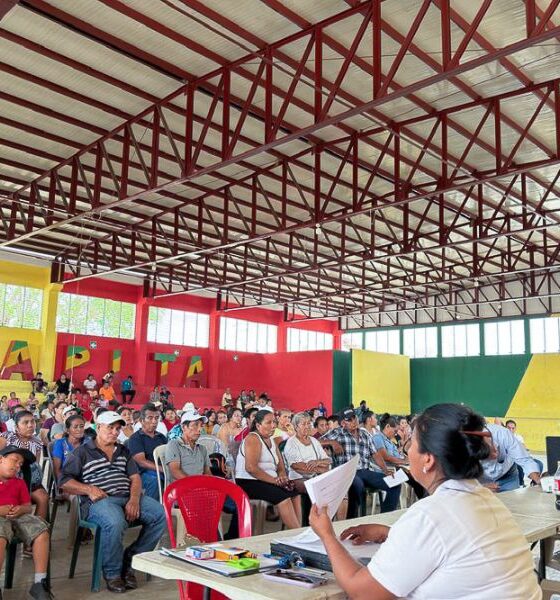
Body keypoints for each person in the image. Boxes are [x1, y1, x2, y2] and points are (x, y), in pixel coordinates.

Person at [309, 403, 542, 600]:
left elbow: (363, 591)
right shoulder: (486, 500)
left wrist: (327, 535)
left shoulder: (430, 514)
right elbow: (453, 543)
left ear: (428, 460)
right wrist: (393, 533)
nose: (407, 451)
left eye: (412, 444)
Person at [60, 411, 166, 593]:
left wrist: (134, 499)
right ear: (98, 427)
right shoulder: (82, 452)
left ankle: (131, 560)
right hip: (100, 501)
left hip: (127, 496)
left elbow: (135, 478)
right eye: (110, 428)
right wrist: (89, 489)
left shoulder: (123, 450)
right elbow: (64, 482)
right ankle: (113, 573)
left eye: (118, 429)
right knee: (115, 521)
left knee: (160, 515)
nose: (115, 432)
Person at [165, 409, 238, 539]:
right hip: (182, 492)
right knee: (205, 508)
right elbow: (175, 471)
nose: (199, 429)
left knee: (237, 503)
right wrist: (195, 487)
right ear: (183, 427)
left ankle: (230, 538)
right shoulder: (174, 445)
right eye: (194, 425)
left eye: (200, 425)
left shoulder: (202, 449)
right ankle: (212, 539)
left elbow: (207, 473)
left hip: (202, 491)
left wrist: (213, 488)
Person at [321, 408, 401, 517]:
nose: (354, 421)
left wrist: (385, 470)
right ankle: (351, 519)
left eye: (354, 418)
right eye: (349, 420)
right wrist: (332, 442)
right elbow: (316, 441)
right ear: (343, 423)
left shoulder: (365, 434)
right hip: (347, 473)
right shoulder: (338, 433)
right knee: (357, 485)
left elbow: (375, 454)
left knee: (395, 483)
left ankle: (385, 517)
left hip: (365, 472)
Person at [0, 446, 52, 599]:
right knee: (0, 537)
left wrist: (21, 509)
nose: (17, 466)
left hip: (19, 517)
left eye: (20, 464)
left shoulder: (19, 483)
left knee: (41, 532)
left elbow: (28, 506)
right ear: (1, 459)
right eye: (15, 460)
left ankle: (39, 583)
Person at [235, 409, 301, 529]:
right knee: (283, 497)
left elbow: (280, 467)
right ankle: (297, 532)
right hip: (249, 482)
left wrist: (282, 478)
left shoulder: (272, 441)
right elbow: (251, 468)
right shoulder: (253, 438)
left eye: (274, 422)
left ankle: (298, 528)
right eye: (268, 422)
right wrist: (275, 481)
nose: (273, 425)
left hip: (268, 481)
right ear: (258, 425)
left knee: (295, 493)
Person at [0, 411, 49, 522]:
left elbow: (35, 465)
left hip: (29, 480)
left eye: (32, 422)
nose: (30, 425)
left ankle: (38, 526)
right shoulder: (7, 436)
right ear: (16, 426)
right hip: (7, 477)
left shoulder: (37, 442)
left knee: (43, 497)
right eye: (25, 422)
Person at [480, 422, 541, 492]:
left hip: (508, 476)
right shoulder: (468, 447)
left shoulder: (502, 433)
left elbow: (523, 458)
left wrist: (538, 480)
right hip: (478, 480)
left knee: (512, 498)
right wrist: (478, 487)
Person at [128, 404, 167, 500]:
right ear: (141, 421)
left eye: (156, 418)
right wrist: (163, 469)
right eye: (150, 418)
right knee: (155, 481)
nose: (154, 421)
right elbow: (141, 461)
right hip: (143, 473)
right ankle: (152, 507)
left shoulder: (161, 437)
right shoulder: (135, 438)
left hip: (163, 470)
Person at [284, 412, 331, 492]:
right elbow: (297, 466)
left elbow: (328, 460)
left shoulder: (314, 440)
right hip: (299, 479)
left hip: (316, 476)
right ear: (296, 427)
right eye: (303, 424)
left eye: (309, 423)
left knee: (337, 487)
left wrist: (317, 462)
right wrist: (322, 470)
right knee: (319, 490)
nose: (307, 426)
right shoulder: (291, 442)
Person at [51, 414, 86, 480]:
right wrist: (63, 483)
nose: (79, 429)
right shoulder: (60, 444)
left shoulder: (87, 442)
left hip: (86, 478)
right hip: (68, 480)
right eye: (75, 427)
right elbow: (57, 470)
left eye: (81, 426)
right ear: (67, 430)